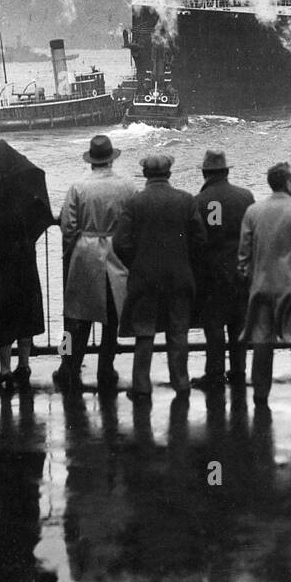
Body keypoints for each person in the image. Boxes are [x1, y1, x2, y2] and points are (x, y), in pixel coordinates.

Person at [113, 154, 206, 402]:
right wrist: (185, 261)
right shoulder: (186, 200)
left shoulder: (134, 203)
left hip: (145, 277)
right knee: (178, 333)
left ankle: (142, 385)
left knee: (145, 333)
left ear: (145, 175)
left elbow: (119, 242)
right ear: (169, 174)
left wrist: (136, 263)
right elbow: (200, 239)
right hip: (179, 276)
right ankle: (181, 383)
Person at [54, 134, 137, 394]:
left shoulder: (78, 187)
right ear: (111, 159)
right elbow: (133, 224)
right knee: (111, 319)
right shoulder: (127, 187)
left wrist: (73, 248)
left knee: (76, 316)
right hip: (116, 253)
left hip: (86, 254)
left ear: (91, 161)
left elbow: (68, 226)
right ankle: (106, 367)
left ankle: (69, 365)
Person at [237, 162, 291, 411]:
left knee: (262, 342)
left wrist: (249, 278)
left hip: (262, 287)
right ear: (287, 182)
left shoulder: (253, 211)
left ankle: (261, 394)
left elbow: (244, 254)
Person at [192, 149, 255, 390]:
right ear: (227, 172)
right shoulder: (245, 197)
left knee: (214, 326)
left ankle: (215, 373)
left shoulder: (199, 202)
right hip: (240, 271)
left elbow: (196, 239)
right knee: (239, 324)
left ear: (205, 173)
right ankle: (238, 370)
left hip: (210, 274)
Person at [0, 224, 45, 391]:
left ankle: (5, 369)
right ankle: (24, 365)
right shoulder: (28, 213)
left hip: (4, 268)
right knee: (26, 313)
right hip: (27, 265)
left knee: (4, 315)